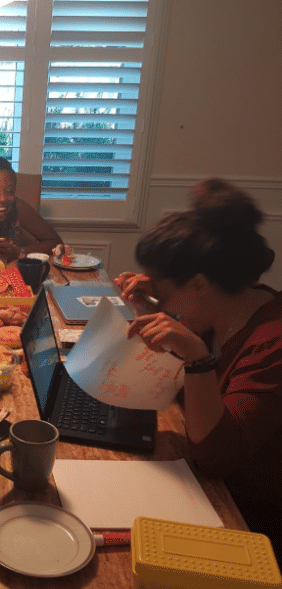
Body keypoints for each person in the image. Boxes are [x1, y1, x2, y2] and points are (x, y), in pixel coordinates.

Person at [115, 178, 281, 559]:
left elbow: (217, 457)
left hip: (248, 517)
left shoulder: (272, 342)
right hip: (200, 483)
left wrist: (196, 356)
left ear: (200, 284)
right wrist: (153, 311)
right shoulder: (216, 313)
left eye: (163, 289)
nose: (160, 300)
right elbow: (177, 385)